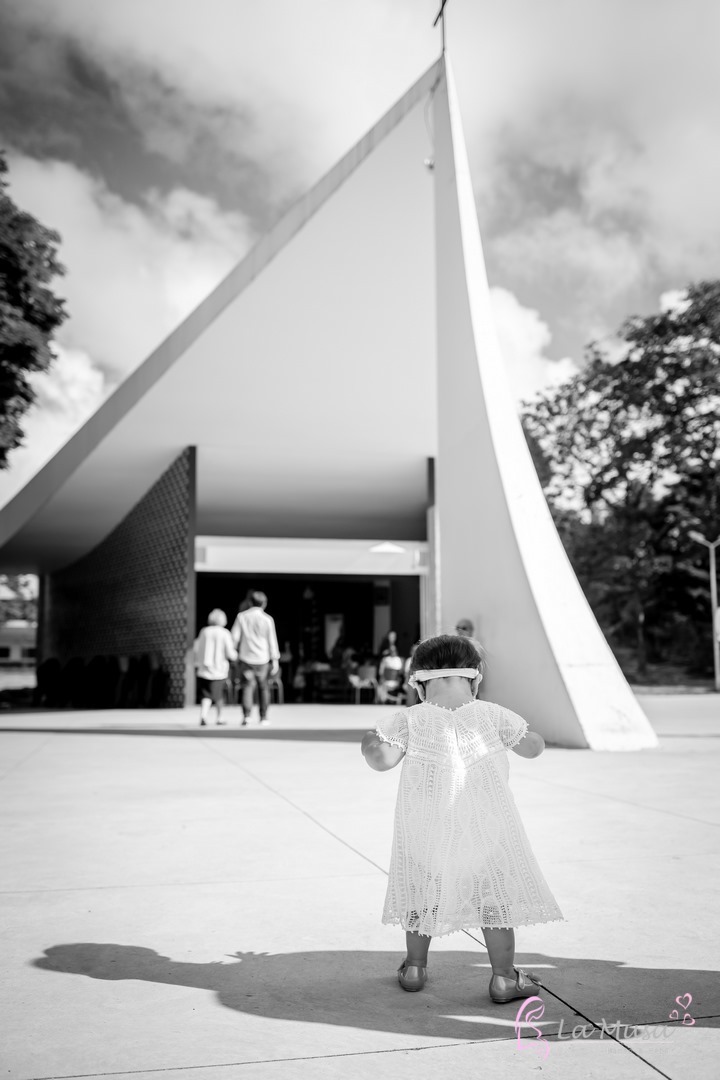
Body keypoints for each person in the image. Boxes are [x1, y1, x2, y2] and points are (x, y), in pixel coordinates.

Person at [360, 633, 562, 1003]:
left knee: (422, 897)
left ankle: (415, 968)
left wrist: (369, 742)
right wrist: (531, 736)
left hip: (427, 834)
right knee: (493, 902)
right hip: (486, 833)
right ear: (475, 678)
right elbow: (532, 748)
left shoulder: (409, 720)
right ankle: (503, 977)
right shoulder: (494, 714)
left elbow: (381, 760)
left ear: (419, 681)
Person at [231, 591, 280, 725]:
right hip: (263, 659)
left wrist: (233, 654)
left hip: (246, 658)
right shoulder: (267, 619)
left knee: (247, 687)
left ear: (250, 602)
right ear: (264, 603)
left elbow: (234, 638)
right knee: (263, 687)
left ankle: (247, 716)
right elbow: (272, 641)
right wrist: (275, 660)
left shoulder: (242, 617)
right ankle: (263, 717)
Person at [193, 609, 237, 727]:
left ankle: (203, 715)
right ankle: (220, 717)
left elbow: (196, 648)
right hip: (219, 669)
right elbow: (230, 652)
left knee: (206, 694)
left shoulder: (204, 631)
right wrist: (235, 657)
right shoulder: (224, 633)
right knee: (218, 694)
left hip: (204, 669)